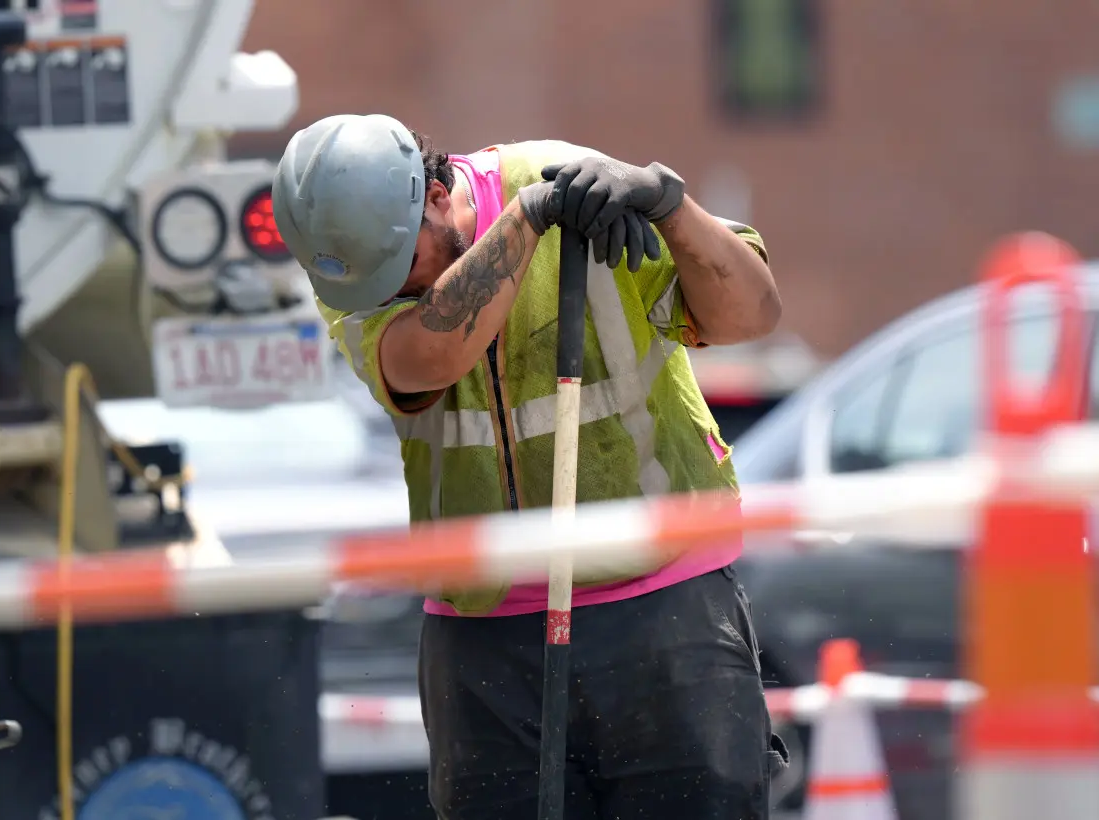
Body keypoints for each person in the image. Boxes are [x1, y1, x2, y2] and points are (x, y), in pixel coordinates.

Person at [271, 113, 789, 819]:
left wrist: (669, 206)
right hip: (485, 638)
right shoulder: (357, 271)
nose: (395, 291)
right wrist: (529, 220)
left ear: (431, 194)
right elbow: (428, 356)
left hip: (665, 610)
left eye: (405, 270)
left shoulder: (563, 173)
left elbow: (752, 314)